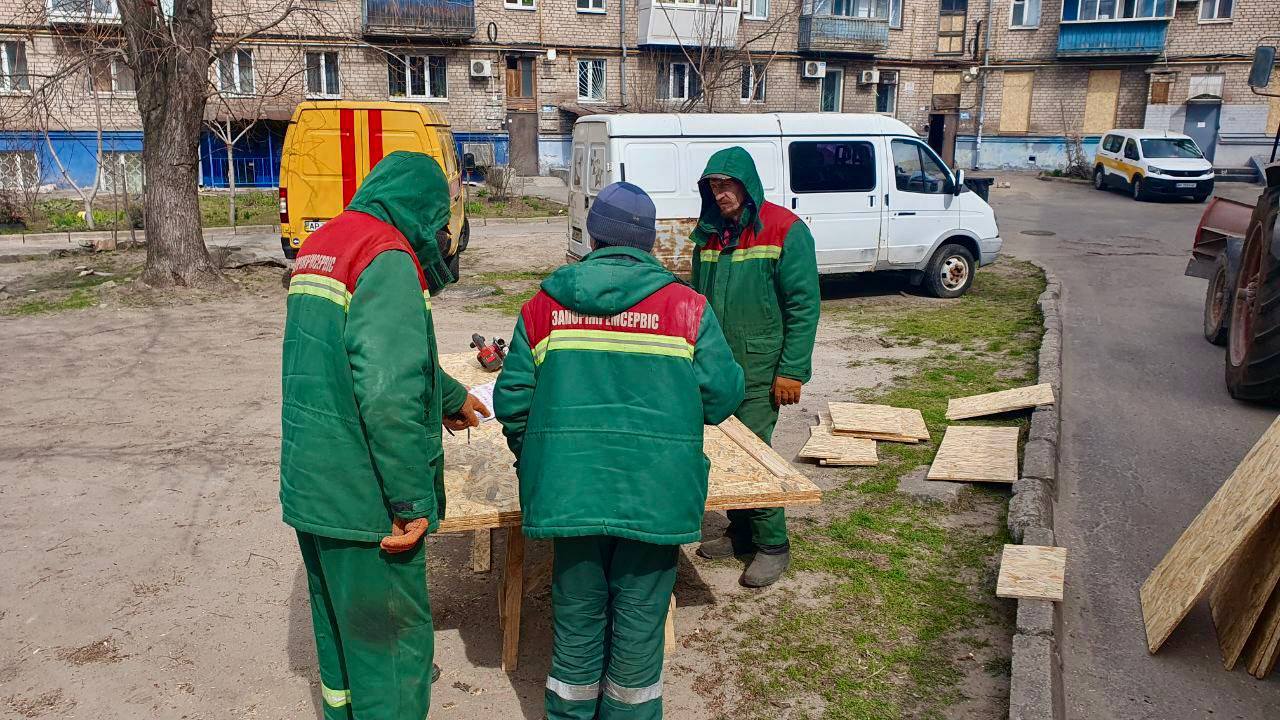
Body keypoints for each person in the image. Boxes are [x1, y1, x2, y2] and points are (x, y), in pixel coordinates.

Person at [494, 182, 744, 720]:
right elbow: (723, 395)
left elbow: (513, 401)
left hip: (570, 493)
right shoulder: (687, 309)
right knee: (638, 624)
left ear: (593, 235)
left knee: (578, 621)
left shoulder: (543, 307)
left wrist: (540, 459)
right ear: (650, 242)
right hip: (654, 492)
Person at [279, 150, 487, 720]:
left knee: (345, 646)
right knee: (392, 651)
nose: (443, 238)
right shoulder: (388, 256)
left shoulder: (326, 244)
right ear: (420, 210)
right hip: (364, 496)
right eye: (441, 223)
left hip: (313, 483)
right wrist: (410, 500)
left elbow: (356, 354)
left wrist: (448, 396)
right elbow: (388, 392)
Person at [689, 147, 821, 588]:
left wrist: (792, 370)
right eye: (713, 185)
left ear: (747, 184)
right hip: (717, 368)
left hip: (763, 369)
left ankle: (772, 544)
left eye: (727, 184)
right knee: (725, 452)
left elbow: (804, 306)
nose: (720, 193)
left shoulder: (785, 230)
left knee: (757, 454)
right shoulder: (708, 236)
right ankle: (741, 531)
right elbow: (699, 304)